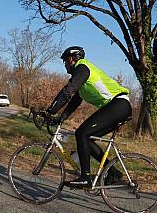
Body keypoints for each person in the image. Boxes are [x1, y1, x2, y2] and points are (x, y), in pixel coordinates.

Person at [46, 46, 131, 188]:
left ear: (71, 59)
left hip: (118, 105)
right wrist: (60, 118)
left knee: (81, 133)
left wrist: (50, 111)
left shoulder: (82, 68)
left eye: (65, 61)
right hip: (118, 107)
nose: (65, 65)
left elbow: (67, 92)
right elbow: (74, 101)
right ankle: (113, 172)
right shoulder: (81, 77)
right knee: (87, 139)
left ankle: (85, 177)